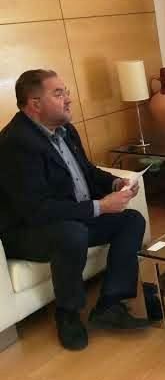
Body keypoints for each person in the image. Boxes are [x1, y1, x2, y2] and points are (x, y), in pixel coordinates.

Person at [0, 69, 150, 351]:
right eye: (59, 94)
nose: (68, 99)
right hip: (27, 231)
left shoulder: (66, 130)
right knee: (72, 234)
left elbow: (87, 172)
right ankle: (67, 314)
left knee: (130, 220)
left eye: (66, 92)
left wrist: (115, 183)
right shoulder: (15, 144)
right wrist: (100, 206)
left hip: (71, 218)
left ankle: (110, 304)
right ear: (35, 104)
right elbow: (36, 210)